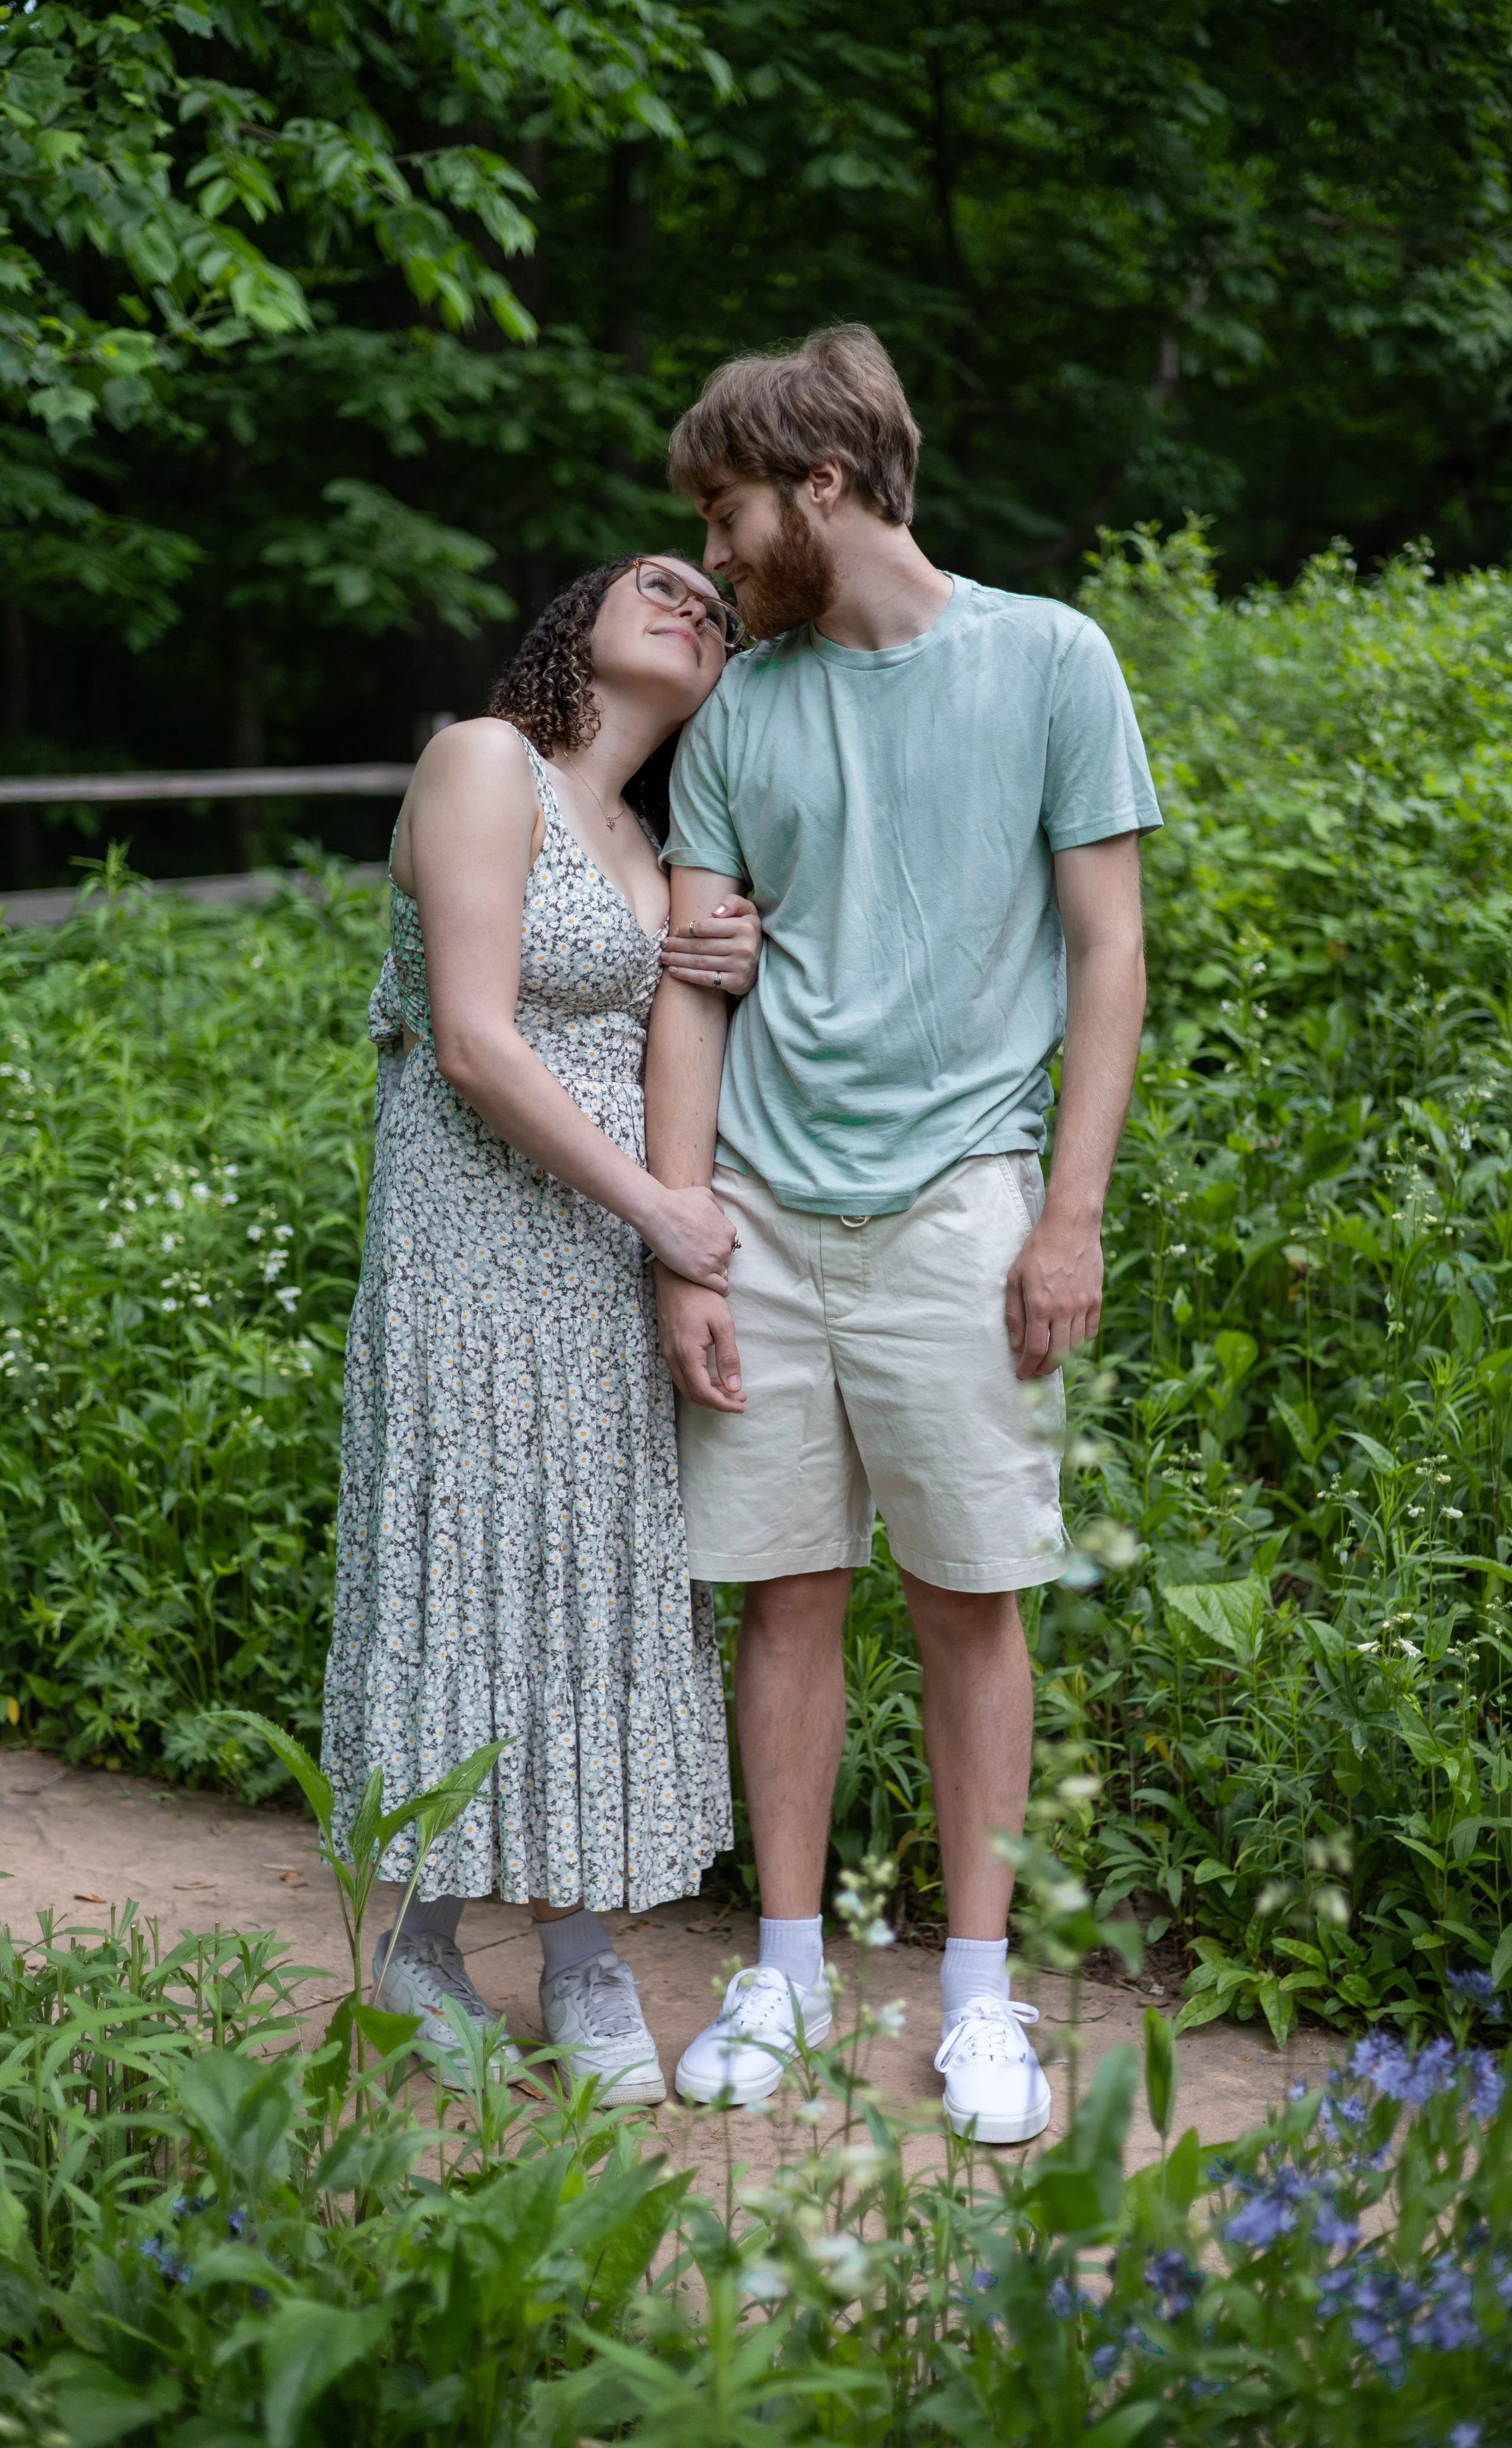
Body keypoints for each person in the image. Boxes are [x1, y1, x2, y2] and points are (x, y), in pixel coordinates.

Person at [645, 326, 1160, 2145]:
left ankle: (973, 1992)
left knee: (967, 1599)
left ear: (825, 489)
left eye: (725, 513)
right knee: (785, 1593)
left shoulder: (1048, 657)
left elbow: (1107, 947)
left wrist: (1067, 1212)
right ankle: (782, 1966)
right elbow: (697, 981)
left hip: (963, 1202)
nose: (714, 555)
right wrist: (681, 1237)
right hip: (764, 1214)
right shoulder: (744, 707)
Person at [322, 552, 764, 2106]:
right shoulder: (481, 760)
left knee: (585, 1582)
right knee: (470, 1566)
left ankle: (555, 1945)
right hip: (468, 1244)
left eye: (720, 613)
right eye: (662, 582)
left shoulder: (653, 848)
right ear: (576, 617)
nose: (696, 607)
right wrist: (659, 1211)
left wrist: (726, 965)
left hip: (594, 1267)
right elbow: (468, 1036)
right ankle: (444, 1942)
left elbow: (672, 1056)